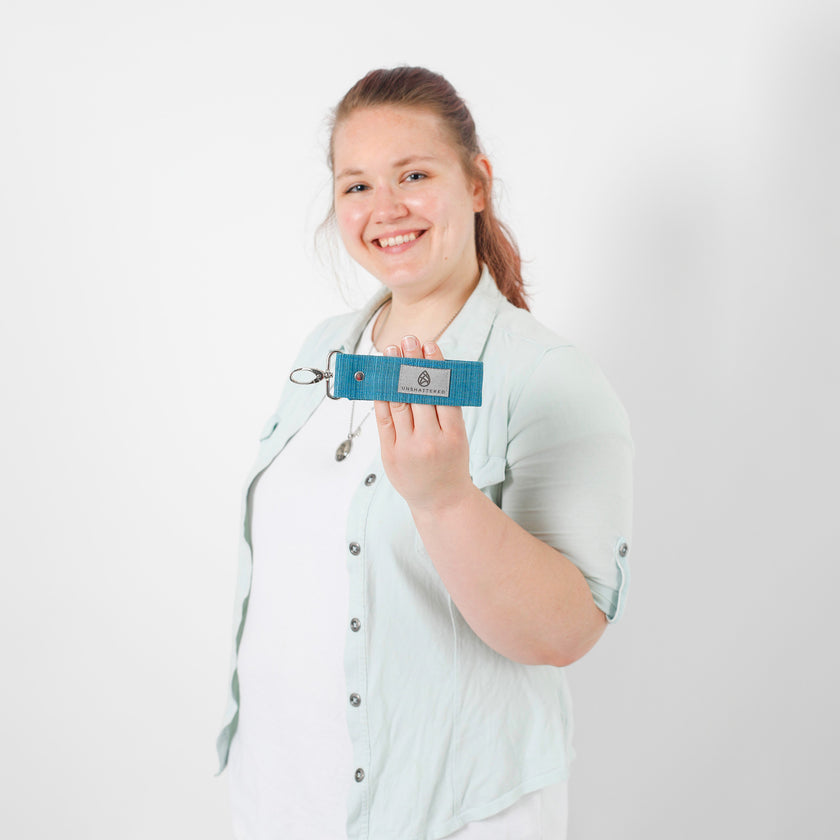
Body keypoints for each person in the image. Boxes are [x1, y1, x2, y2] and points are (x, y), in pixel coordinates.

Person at [217, 66, 633, 840]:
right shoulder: (323, 351)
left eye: (414, 174)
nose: (387, 209)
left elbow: (564, 633)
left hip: (454, 812)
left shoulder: (550, 380)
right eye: (357, 186)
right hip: (280, 797)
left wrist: (445, 498)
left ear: (477, 183)